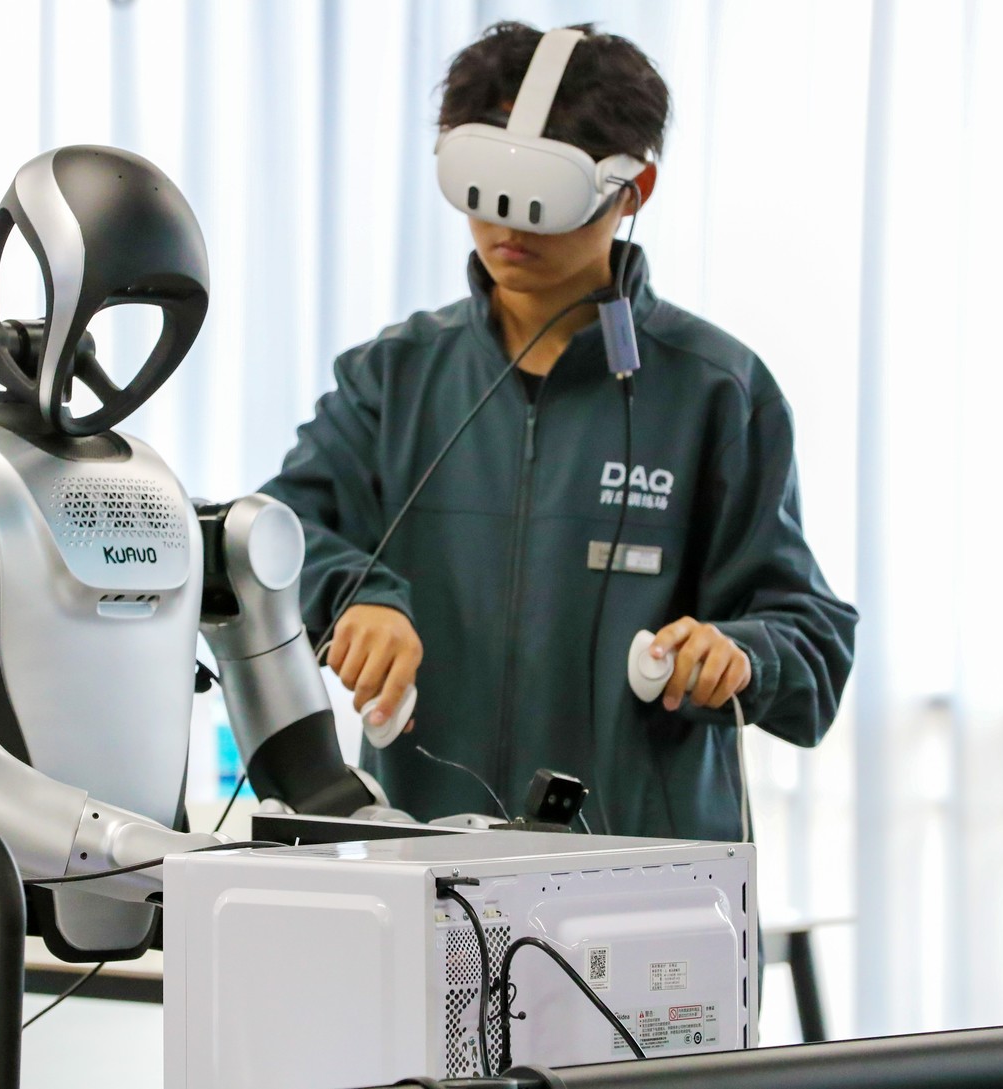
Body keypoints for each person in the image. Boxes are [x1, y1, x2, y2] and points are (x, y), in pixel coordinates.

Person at [260, 21, 857, 839]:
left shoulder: (719, 392)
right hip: (430, 863)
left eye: (546, 199)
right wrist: (359, 598)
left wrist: (741, 653)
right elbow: (271, 540)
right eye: (485, 190)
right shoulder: (392, 379)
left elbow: (814, 638)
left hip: (648, 875)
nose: (511, 226)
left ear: (632, 191)